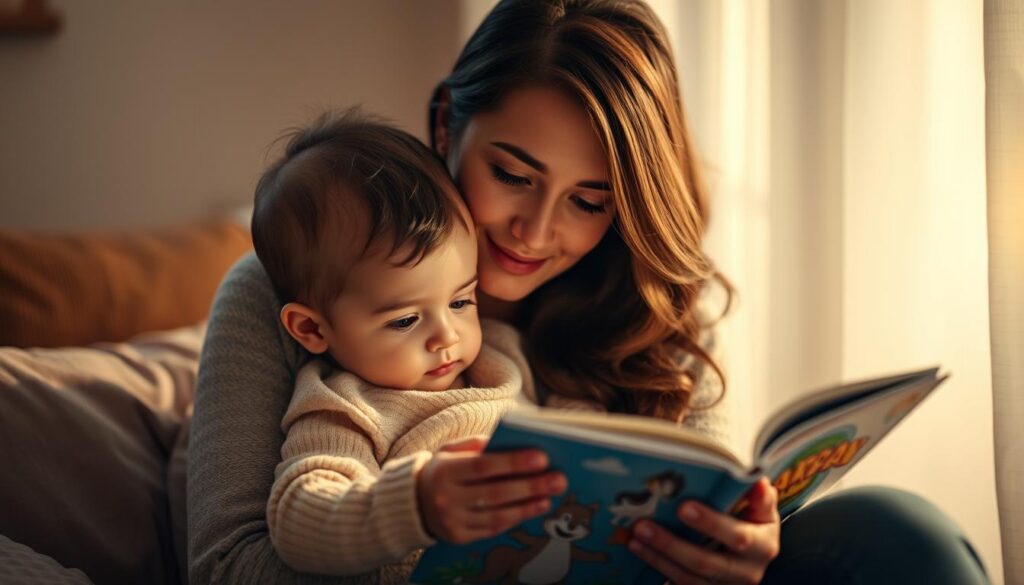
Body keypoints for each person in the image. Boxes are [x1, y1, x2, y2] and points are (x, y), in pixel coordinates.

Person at [188, 1, 990, 583]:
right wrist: (426, 531)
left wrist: (736, 550)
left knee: (893, 532)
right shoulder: (290, 286)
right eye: (513, 174)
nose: (536, 231)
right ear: (445, 127)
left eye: (589, 200)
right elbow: (229, 565)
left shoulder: (651, 307)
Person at [249, 111, 565, 575]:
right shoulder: (346, 408)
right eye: (404, 321)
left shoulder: (503, 352)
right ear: (312, 330)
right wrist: (415, 505)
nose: (447, 336)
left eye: (461, 301)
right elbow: (299, 517)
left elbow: (577, 419)